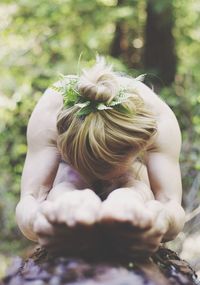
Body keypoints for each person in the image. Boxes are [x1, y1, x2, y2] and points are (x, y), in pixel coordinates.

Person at [15, 57, 185, 256]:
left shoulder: (158, 120)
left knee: (136, 186)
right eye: (90, 165)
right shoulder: (49, 114)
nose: (102, 181)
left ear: (141, 144)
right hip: (68, 178)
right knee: (63, 185)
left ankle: (128, 203)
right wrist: (38, 220)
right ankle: (69, 204)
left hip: (132, 182)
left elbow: (170, 201)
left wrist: (161, 220)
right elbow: (31, 197)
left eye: (108, 169)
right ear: (62, 144)